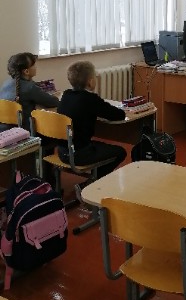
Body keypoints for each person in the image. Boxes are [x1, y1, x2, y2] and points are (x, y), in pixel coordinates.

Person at [57, 61, 127, 196]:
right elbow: (118, 115)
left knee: (99, 145)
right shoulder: (90, 99)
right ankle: (91, 185)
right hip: (79, 154)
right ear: (90, 82)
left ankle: (92, 182)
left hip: (62, 152)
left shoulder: (66, 94)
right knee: (120, 152)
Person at [0, 52, 59, 131]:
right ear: (26, 71)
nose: (36, 67)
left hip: (4, 131)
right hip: (24, 132)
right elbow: (53, 102)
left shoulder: (6, 83)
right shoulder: (30, 88)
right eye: (34, 65)